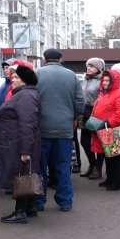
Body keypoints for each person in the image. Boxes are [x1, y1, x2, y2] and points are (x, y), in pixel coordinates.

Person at [0, 64, 41, 223]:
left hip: (19, 144)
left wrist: (25, 150)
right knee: (25, 174)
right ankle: (30, 207)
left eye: (17, 77)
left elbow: (27, 124)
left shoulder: (25, 96)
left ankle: (20, 212)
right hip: (16, 142)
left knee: (21, 176)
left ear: (25, 80)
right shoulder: (24, 94)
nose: (13, 79)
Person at [35, 48, 84, 212]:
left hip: (41, 129)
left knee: (40, 167)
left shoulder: (36, 73)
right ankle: (65, 201)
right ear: (60, 59)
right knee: (63, 167)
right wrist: (74, 116)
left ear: (45, 58)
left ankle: (39, 201)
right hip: (64, 129)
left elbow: (30, 98)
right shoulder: (71, 75)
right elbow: (80, 102)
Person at [90, 69, 120, 191]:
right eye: (104, 80)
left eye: (108, 80)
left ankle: (117, 182)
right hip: (104, 130)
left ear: (114, 81)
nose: (106, 82)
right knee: (108, 158)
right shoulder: (104, 93)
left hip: (112, 130)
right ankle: (110, 179)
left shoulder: (119, 94)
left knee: (115, 159)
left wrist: (108, 122)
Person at [79, 57, 104, 179]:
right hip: (86, 114)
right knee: (84, 141)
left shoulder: (102, 80)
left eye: (92, 66)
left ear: (99, 68)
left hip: (98, 115)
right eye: (88, 65)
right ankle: (92, 164)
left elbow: (104, 97)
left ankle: (98, 169)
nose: (88, 68)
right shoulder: (86, 80)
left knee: (99, 142)